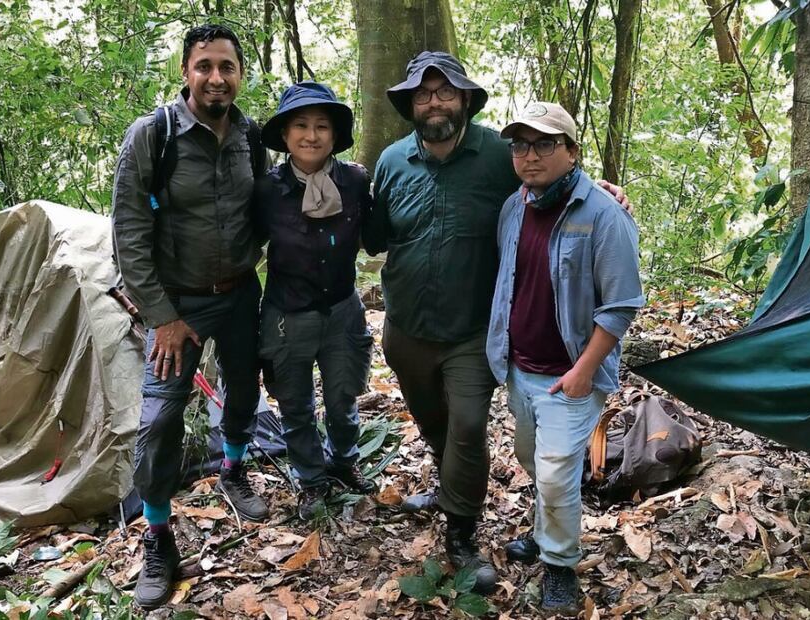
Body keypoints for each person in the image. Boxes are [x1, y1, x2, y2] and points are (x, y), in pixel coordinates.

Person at [364, 51, 630, 594]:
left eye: (444, 92)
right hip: (407, 327)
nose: (434, 101)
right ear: (410, 106)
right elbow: (375, 235)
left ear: (464, 100)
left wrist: (599, 189)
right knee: (434, 422)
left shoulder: (496, 155)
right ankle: (450, 485)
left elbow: (552, 185)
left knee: (466, 426)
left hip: (472, 331)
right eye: (422, 94)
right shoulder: (391, 161)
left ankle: (460, 533)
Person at [111, 24, 269, 609]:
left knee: (245, 390)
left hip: (240, 293)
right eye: (204, 66)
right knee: (159, 420)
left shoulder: (252, 137)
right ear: (186, 72)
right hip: (176, 304)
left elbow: (267, 212)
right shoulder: (152, 136)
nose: (215, 78)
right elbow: (128, 230)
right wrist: (164, 316)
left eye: (226, 67)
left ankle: (232, 468)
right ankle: (157, 537)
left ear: (240, 75)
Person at [486, 102, 644, 614]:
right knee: (536, 461)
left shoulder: (602, 214)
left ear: (572, 151)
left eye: (545, 144)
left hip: (571, 375)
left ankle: (559, 566)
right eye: (520, 144)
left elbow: (621, 305)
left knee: (554, 472)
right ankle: (545, 526)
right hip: (520, 368)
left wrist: (583, 371)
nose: (530, 156)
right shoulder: (515, 207)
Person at [253, 82, 378, 520]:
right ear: (285, 136)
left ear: (335, 135)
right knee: (296, 406)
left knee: (344, 398)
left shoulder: (356, 181)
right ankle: (311, 479)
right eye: (301, 126)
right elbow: (245, 246)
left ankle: (344, 461)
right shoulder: (267, 189)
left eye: (322, 126)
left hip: (343, 309)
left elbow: (377, 236)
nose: (311, 135)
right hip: (287, 314)